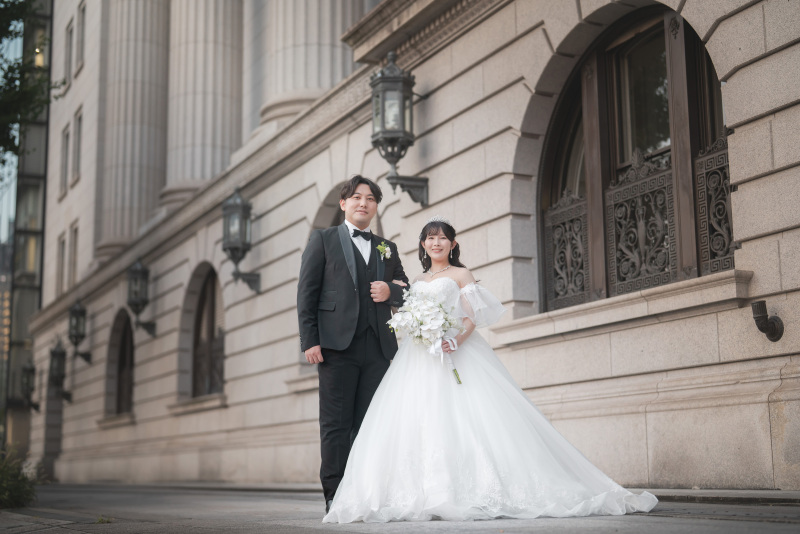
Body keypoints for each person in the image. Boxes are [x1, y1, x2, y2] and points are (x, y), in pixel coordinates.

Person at [323, 216, 658, 522]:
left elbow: (472, 317)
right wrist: (411, 326)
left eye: (443, 238)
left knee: (470, 419)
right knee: (418, 420)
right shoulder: (417, 280)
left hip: (456, 353)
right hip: (420, 357)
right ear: (423, 245)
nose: (436, 243)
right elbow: (407, 314)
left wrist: (456, 339)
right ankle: (424, 492)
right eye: (430, 238)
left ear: (453, 245)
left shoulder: (461, 274)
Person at [297, 176, 409, 514]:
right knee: (336, 425)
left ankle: (364, 493)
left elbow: (406, 291)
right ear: (344, 203)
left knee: (370, 424)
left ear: (376, 207)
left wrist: (392, 292)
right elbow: (307, 293)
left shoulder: (386, 247)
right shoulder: (323, 239)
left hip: (379, 349)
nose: (364, 203)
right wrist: (310, 340)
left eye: (371, 198)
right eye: (357, 197)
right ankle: (334, 495)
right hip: (336, 348)